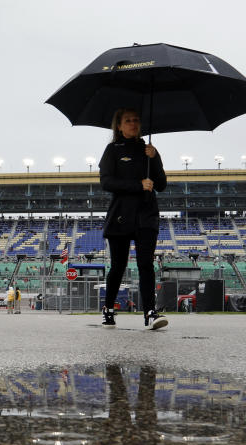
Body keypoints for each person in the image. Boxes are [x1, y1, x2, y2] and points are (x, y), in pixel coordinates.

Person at [99, 108, 168, 330]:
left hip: (147, 214)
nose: (133, 123)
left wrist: (154, 159)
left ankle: (150, 312)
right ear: (119, 126)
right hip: (121, 214)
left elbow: (162, 184)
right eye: (128, 120)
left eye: (136, 120)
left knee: (146, 264)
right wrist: (137, 185)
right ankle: (108, 309)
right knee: (118, 266)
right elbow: (106, 182)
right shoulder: (113, 150)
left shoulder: (149, 150)